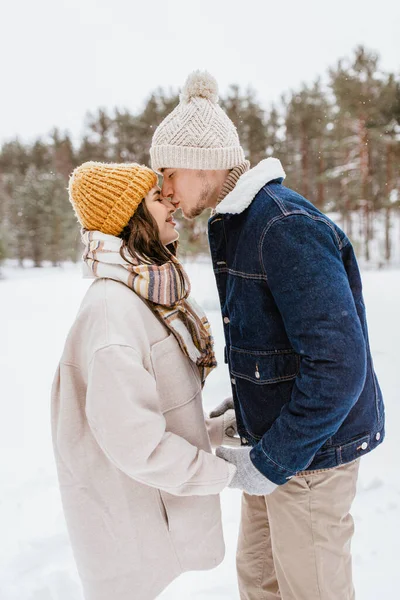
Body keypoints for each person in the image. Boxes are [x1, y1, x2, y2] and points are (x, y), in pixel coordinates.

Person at [150, 71, 385, 600]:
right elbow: (281, 342)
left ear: (200, 162)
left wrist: (271, 461)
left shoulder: (281, 226)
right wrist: (250, 401)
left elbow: (338, 365)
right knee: (260, 583)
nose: (163, 189)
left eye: (168, 172)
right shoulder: (238, 225)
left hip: (310, 458)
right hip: (273, 445)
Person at [51, 161, 239, 600]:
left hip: (153, 521)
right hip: (135, 536)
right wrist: (226, 473)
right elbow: (137, 445)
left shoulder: (143, 295)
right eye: (158, 197)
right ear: (129, 218)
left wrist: (215, 433)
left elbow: (145, 420)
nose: (171, 200)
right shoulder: (112, 314)